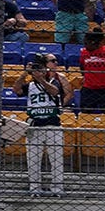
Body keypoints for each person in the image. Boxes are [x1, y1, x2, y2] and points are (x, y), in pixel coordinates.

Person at [13, 53, 73, 196]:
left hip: (53, 125)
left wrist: (41, 80)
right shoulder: (30, 85)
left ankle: (57, 189)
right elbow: (16, 90)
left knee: (56, 160)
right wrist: (24, 74)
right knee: (33, 160)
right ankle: (35, 189)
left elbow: (54, 91)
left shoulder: (54, 82)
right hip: (35, 125)